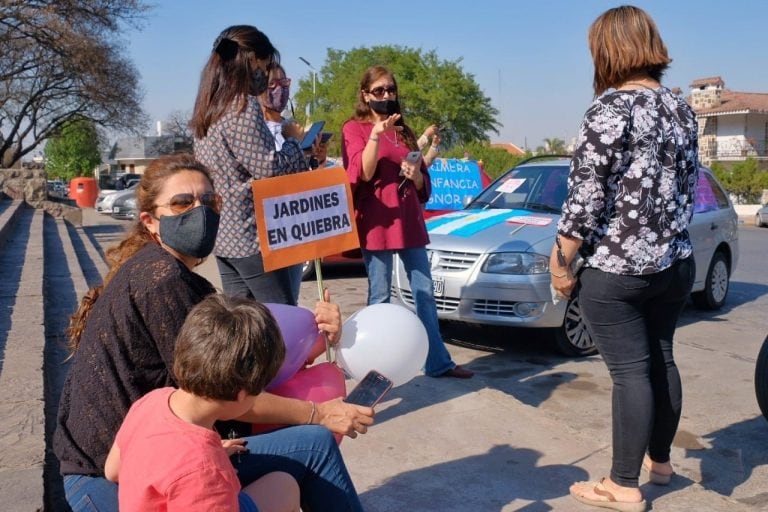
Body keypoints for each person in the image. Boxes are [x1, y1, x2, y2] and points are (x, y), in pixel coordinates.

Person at [54, 154, 370, 512]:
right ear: (150, 221)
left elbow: (240, 369)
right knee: (314, 446)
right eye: (182, 203)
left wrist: (316, 337)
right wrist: (318, 413)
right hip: (115, 478)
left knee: (304, 455)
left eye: (209, 201)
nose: (199, 212)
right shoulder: (163, 281)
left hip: (148, 453)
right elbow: (224, 391)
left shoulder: (161, 269)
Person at [551, 6, 698, 511]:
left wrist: (560, 261)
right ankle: (660, 464)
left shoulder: (609, 109)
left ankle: (622, 485)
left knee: (630, 374)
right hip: (676, 261)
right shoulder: (681, 109)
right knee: (663, 358)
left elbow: (585, 199)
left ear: (607, 50)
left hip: (618, 269)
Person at [104, 294, 300, 512]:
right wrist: (207, 460)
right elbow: (193, 471)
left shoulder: (151, 401)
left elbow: (112, 470)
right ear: (242, 393)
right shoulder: (206, 471)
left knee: (283, 485)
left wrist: (205, 452)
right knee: (285, 487)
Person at [341, 65, 473, 379]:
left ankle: (438, 362)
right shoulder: (354, 129)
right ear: (365, 95)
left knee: (425, 294)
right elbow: (362, 173)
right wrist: (375, 134)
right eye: (379, 91)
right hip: (378, 223)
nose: (386, 95)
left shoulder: (404, 130)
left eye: (390, 89)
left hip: (409, 220)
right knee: (381, 298)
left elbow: (424, 185)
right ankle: (374, 370)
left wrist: (415, 177)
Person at [192, 25, 307, 305]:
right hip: (251, 238)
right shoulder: (242, 106)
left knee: (242, 322)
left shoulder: (209, 106)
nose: (264, 74)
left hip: (224, 234)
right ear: (250, 59)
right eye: (264, 65)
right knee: (281, 319)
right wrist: (295, 142)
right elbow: (270, 169)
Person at [258, 62, 309, 305]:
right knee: (271, 306)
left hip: (294, 226)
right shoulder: (255, 129)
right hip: (269, 229)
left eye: (284, 83)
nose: (280, 90)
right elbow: (270, 171)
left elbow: (300, 177)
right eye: (272, 84)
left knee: (291, 299)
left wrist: (313, 157)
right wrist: (293, 142)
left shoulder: (290, 126)